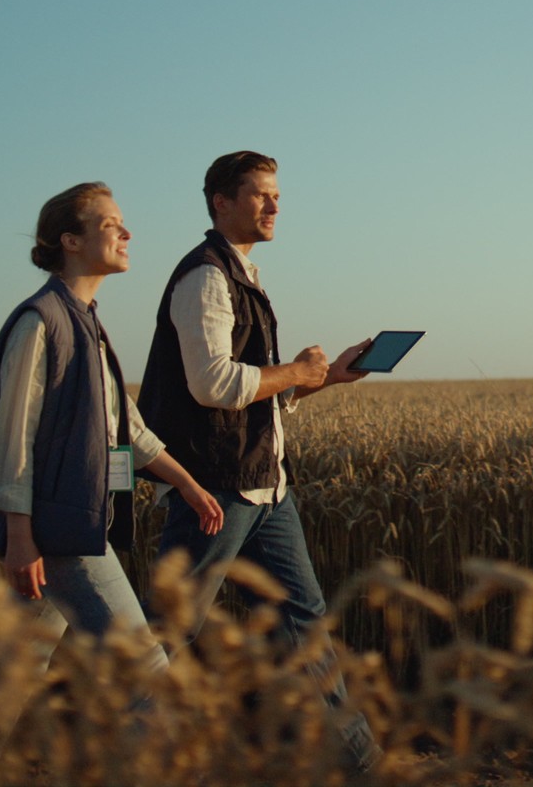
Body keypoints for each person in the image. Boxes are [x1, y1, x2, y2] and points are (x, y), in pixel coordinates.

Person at [136, 151, 381, 773]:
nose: (274, 206)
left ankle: (362, 768)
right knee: (170, 629)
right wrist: (296, 369)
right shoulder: (206, 277)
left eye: (277, 196)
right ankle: (106, 747)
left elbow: (252, 402)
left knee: (304, 623)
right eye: (260, 195)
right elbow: (213, 385)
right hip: (214, 489)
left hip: (265, 489)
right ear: (221, 201)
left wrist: (320, 381)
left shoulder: (242, 273)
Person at [0, 181, 225, 679]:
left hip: (68, 524)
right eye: (111, 225)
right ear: (70, 241)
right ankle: (152, 760)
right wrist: (19, 537)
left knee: (11, 679)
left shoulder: (86, 322)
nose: (127, 232)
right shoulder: (40, 322)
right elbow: (11, 439)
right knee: (146, 673)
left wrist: (186, 483)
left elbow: (125, 428)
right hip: (60, 531)